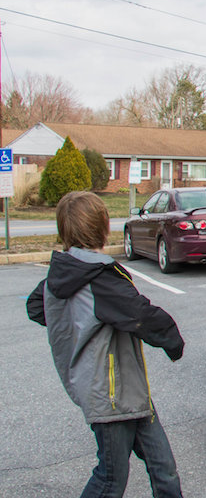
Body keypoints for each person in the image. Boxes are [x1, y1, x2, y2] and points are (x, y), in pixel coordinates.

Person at [26, 191, 185, 498]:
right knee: (110, 478)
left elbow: (38, 307)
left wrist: (81, 324)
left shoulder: (65, 271)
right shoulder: (99, 277)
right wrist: (173, 342)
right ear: (101, 226)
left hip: (128, 390)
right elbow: (141, 315)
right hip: (110, 394)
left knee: (163, 467)